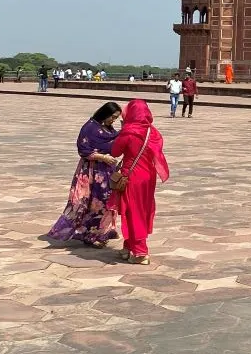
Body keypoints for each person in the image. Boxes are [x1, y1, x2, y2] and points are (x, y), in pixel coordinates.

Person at [47, 102, 123, 247]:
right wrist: (102, 157)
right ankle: (90, 234)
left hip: (106, 170)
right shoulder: (90, 127)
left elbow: (113, 140)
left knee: (106, 201)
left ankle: (102, 232)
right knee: (93, 202)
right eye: (112, 117)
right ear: (105, 113)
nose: (113, 120)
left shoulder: (107, 128)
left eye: (115, 118)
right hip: (92, 170)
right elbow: (83, 149)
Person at [108, 99, 169, 265]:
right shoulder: (152, 132)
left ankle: (141, 251)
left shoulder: (129, 132)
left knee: (133, 212)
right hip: (148, 176)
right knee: (142, 209)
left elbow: (115, 152)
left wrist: (122, 131)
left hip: (132, 176)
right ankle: (129, 246)